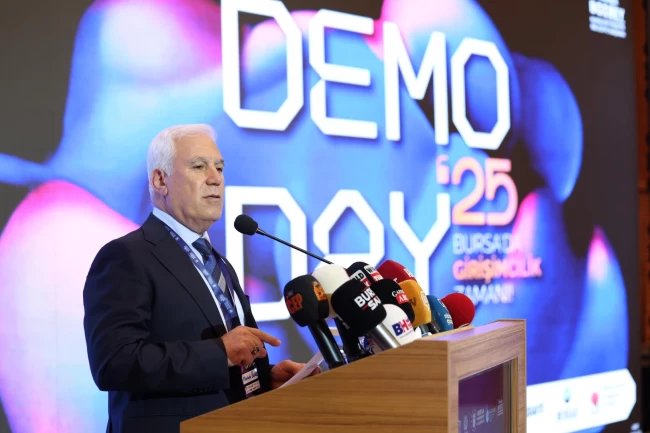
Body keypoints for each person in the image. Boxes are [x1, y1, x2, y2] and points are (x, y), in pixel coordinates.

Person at [83, 124, 317, 433]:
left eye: (219, 167)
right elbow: (114, 362)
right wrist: (220, 352)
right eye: (198, 166)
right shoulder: (126, 257)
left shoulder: (219, 263)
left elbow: (220, 364)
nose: (215, 178)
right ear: (160, 180)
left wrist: (263, 378)